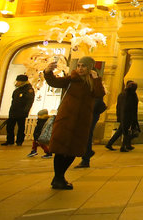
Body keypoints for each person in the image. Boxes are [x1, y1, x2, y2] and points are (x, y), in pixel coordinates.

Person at [43, 57, 105, 190]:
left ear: (90, 68)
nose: (80, 68)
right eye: (79, 65)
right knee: (60, 150)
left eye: (83, 66)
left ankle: (61, 176)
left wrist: (97, 79)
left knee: (73, 151)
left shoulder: (92, 82)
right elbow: (54, 82)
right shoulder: (71, 78)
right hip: (66, 118)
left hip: (81, 122)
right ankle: (58, 177)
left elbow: (100, 93)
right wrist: (48, 72)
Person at [105, 80, 138, 152]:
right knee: (126, 132)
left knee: (121, 131)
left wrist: (118, 115)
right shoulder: (132, 95)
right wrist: (134, 118)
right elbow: (133, 108)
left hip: (122, 115)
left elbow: (118, 106)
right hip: (128, 116)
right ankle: (123, 147)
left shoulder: (122, 94)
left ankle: (110, 143)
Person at [75, 96, 106, 168]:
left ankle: (86, 157)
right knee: (86, 134)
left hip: (91, 113)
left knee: (87, 134)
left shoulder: (94, 88)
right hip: (90, 112)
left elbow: (98, 101)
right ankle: (88, 153)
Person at [2, 74, 34, 146]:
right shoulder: (17, 90)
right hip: (13, 111)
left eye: (18, 81)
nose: (17, 83)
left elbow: (29, 101)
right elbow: (13, 100)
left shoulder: (29, 90)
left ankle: (19, 141)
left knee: (20, 127)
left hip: (22, 112)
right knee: (9, 126)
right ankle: (10, 141)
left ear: (23, 82)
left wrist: (25, 111)